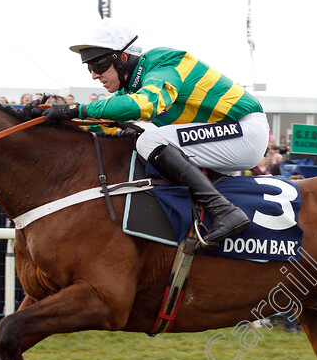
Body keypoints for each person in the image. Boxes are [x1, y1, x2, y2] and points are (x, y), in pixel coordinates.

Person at [35, 19, 267, 250]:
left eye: (98, 66)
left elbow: (145, 104)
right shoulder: (132, 88)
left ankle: (224, 210)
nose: (94, 75)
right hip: (228, 135)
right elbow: (100, 122)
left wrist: (76, 109)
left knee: (149, 139)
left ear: (122, 58)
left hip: (244, 129)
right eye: (89, 68)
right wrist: (39, 119)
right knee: (138, 136)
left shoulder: (164, 63)